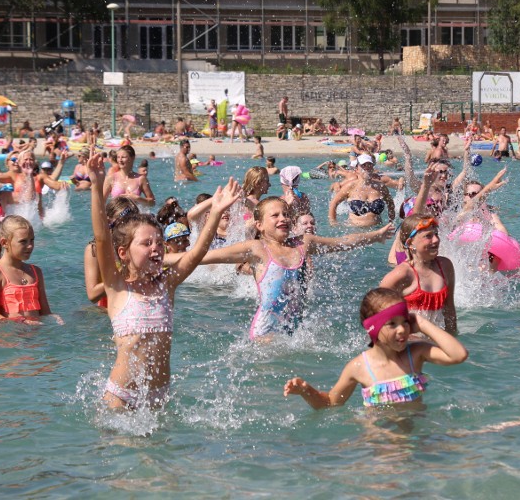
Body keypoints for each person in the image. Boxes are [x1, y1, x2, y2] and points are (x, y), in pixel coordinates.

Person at [88, 151, 241, 409]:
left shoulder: (166, 285)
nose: (156, 247)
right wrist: (96, 186)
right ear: (123, 253)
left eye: (159, 242)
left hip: (159, 396)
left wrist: (215, 212)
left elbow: (196, 253)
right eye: (146, 243)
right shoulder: (116, 287)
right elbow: (102, 238)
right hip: (121, 397)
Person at [196, 197, 395, 340]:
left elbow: (342, 241)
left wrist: (375, 236)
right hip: (265, 335)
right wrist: (165, 260)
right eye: (275, 215)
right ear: (259, 225)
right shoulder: (257, 249)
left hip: (295, 332)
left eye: (286, 214)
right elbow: (201, 257)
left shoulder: (302, 244)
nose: (283, 218)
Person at [282, 287, 467, 408]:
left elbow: (459, 355)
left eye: (405, 321)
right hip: (380, 446)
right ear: (374, 329)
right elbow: (330, 402)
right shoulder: (359, 367)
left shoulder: (416, 353)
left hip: (418, 437)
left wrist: (422, 324)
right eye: (392, 324)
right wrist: (306, 391)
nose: (402, 329)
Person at [380, 214, 458, 334]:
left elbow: (449, 310)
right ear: (410, 243)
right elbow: (377, 317)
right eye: (428, 236)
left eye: (436, 234)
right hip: (407, 343)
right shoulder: (401, 274)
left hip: (435, 340)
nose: (436, 240)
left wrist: (453, 338)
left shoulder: (445, 266)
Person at [0, 215, 58, 324]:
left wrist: (54, 317)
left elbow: (45, 312)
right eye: (23, 241)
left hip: (35, 335)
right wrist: (23, 322)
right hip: (10, 337)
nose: (30, 246)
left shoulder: (35, 272)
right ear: (4, 243)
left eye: (32, 240)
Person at [329, 154, 395, 227]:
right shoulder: (351, 186)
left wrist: (391, 222)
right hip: (354, 231)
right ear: (356, 169)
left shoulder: (380, 186)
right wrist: (333, 223)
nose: (367, 167)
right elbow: (334, 203)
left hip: (377, 230)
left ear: (373, 167)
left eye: (369, 165)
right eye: (363, 165)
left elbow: (390, 204)